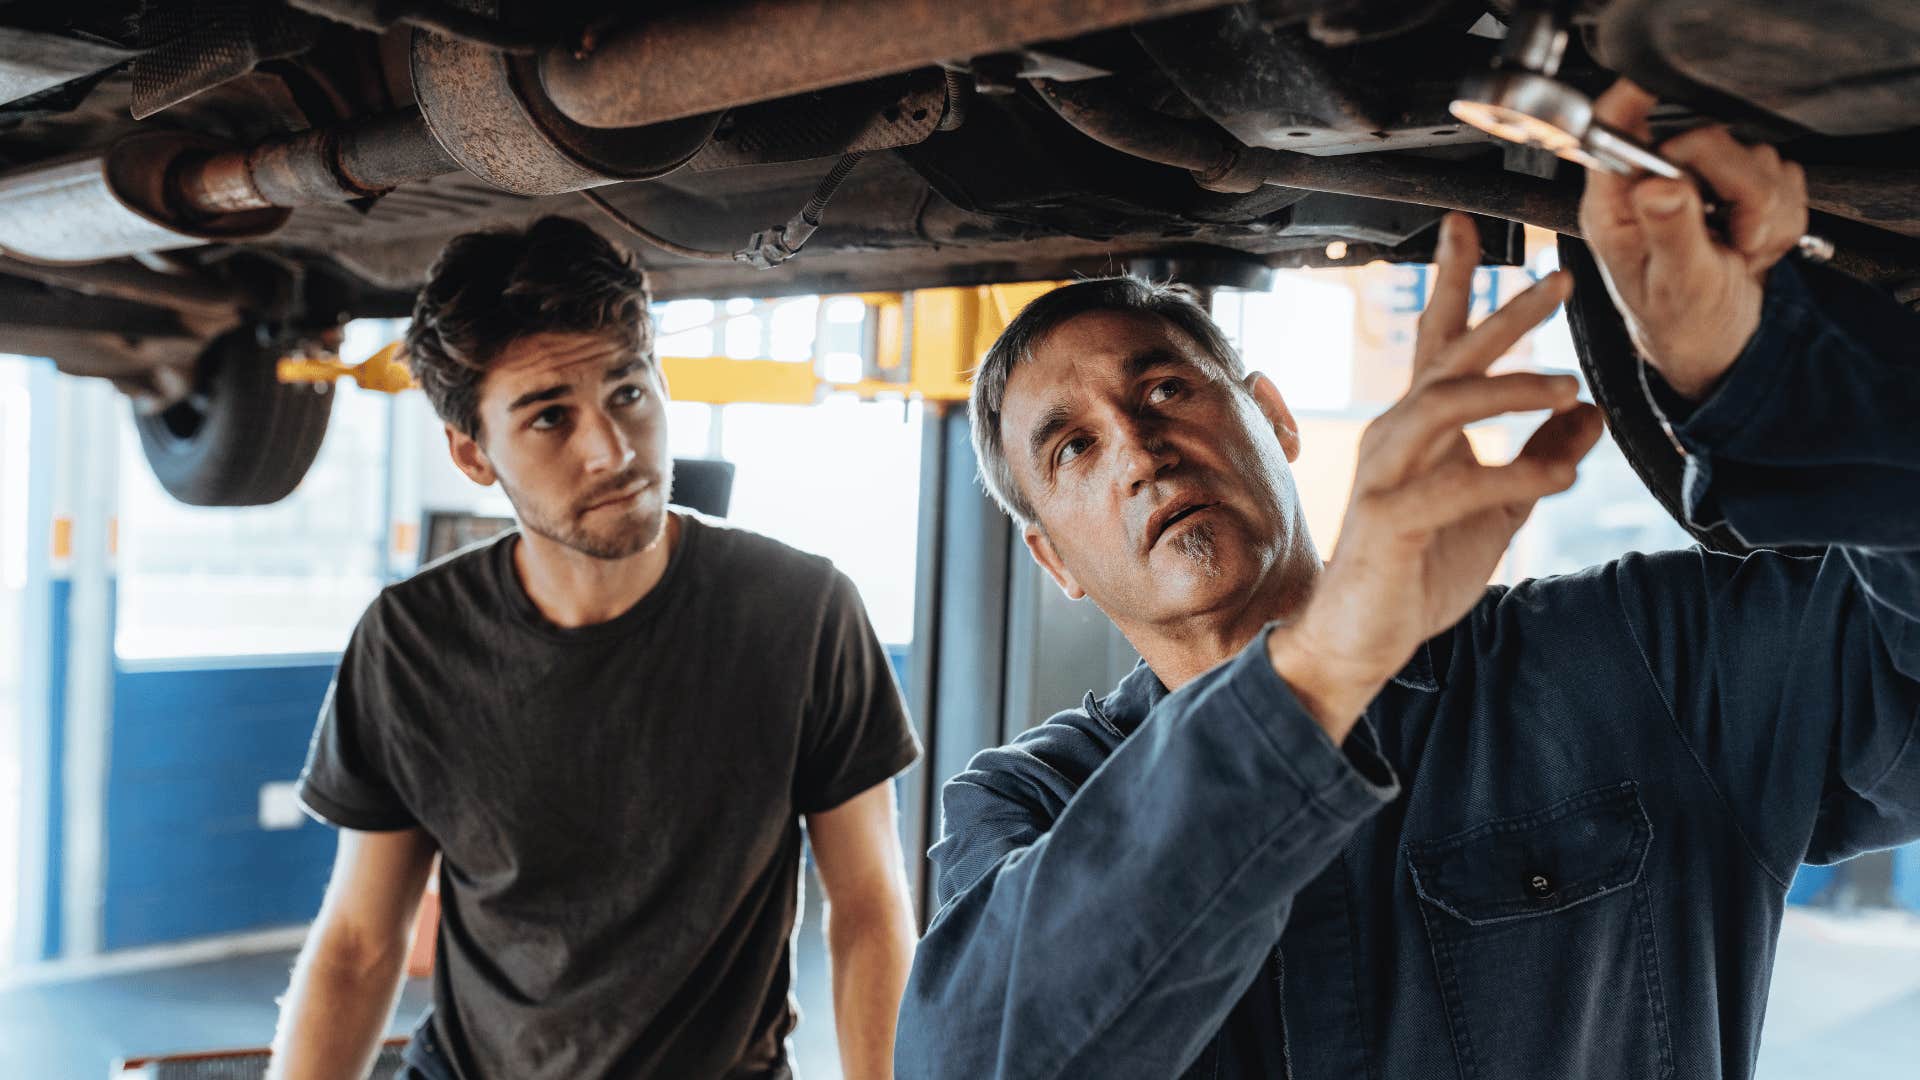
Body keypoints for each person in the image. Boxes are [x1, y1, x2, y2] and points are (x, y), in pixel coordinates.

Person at [896, 80, 1920, 1079]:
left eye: (1165, 388)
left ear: (1278, 421)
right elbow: (976, 1057)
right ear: (1054, 560)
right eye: (1071, 448)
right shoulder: (1029, 803)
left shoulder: (1633, 660)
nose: (1138, 450)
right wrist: (1323, 665)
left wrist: (1770, 380)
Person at [267, 217, 922, 1080]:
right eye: (549, 418)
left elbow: (870, 910)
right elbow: (356, 942)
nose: (612, 451)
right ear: (472, 453)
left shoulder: (800, 613)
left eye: (628, 393)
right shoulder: (412, 642)